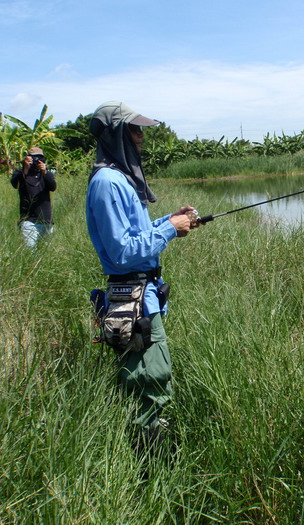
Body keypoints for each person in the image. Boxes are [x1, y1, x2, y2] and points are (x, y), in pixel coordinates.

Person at [85, 101, 198, 447]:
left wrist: (169, 220)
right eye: (134, 130)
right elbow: (121, 251)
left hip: (144, 298)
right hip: (133, 301)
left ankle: (152, 450)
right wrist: (169, 231)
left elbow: (136, 233)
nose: (140, 138)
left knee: (154, 377)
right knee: (149, 383)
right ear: (116, 134)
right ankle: (151, 462)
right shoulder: (107, 182)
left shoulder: (119, 179)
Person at [10, 147, 57, 248]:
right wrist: (25, 169)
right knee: (30, 251)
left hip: (46, 220)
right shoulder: (21, 172)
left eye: (39, 158)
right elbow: (15, 184)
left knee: (46, 251)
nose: (37, 160)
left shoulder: (45, 174)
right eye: (34, 158)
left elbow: (53, 187)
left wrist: (44, 172)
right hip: (28, 220)